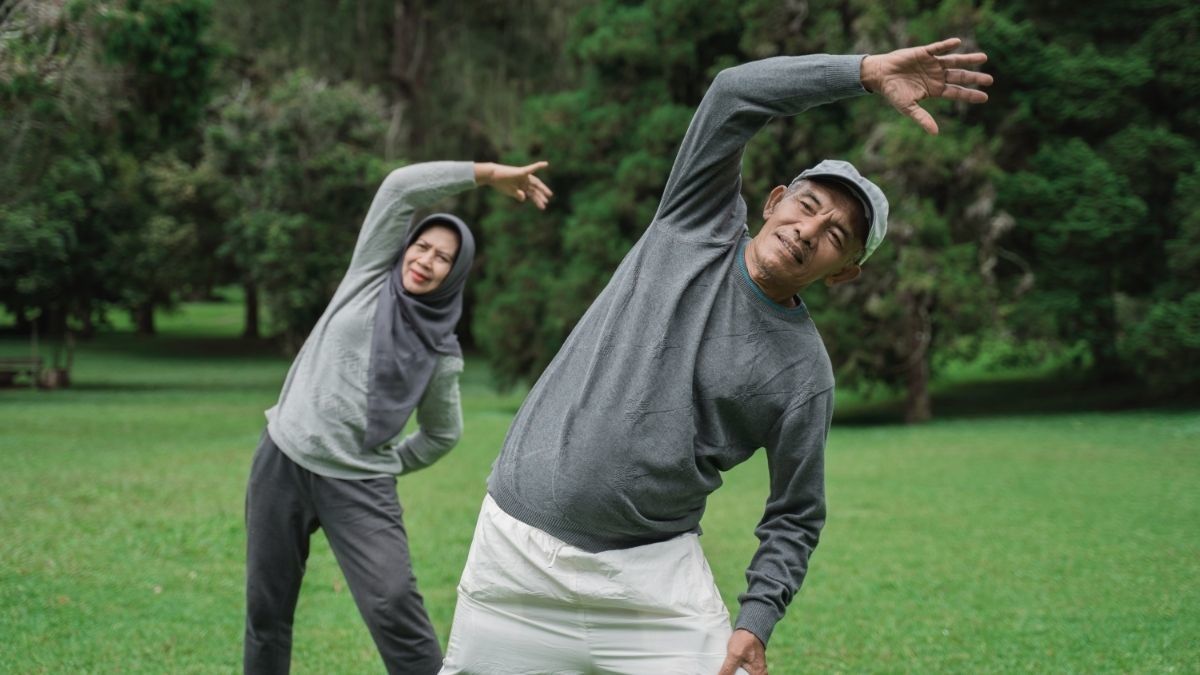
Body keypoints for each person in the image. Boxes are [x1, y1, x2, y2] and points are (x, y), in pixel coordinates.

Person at [438, 38, 991, 675]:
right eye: (808, 207)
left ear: (844, 274)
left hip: (648, 584)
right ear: (775, 199)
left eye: (836, 235)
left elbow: (796, 512)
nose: (809, 231)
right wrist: (862, 72)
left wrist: (757, 617)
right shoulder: (691, 222)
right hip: (515, 558)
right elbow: (734, 93)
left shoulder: (803, 375)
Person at [243, 159, 552, 675]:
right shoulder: (366, 276)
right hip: (283, 460)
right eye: (423, 247)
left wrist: (385, 463)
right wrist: (486, 174)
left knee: (393, 605)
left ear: (455, 274)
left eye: (443, 259)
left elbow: (441, 433)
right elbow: (399, 188)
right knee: (267, 611)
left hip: (359, 485)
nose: (426, 261)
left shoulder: (441, 352)